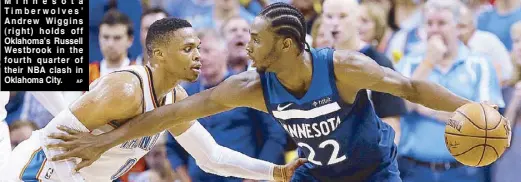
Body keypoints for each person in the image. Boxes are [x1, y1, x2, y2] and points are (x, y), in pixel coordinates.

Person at [48, 2, 509, 182]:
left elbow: (412, 86)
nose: (247, 45)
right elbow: (172, 114)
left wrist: (469, 106)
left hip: (372, 172)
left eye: (257, 39)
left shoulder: (343, 67)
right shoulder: (251, 85)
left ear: (286, 45)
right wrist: (102, 139)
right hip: (313, 175)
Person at [1, 17, 304, 182]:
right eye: (187, 49)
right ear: (158, 54)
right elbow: (53, 143)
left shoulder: (176, 97)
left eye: (198, 47)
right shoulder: (125, 89)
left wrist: (273, 171)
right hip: (39, 171)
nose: (198, 55)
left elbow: (211, 157)